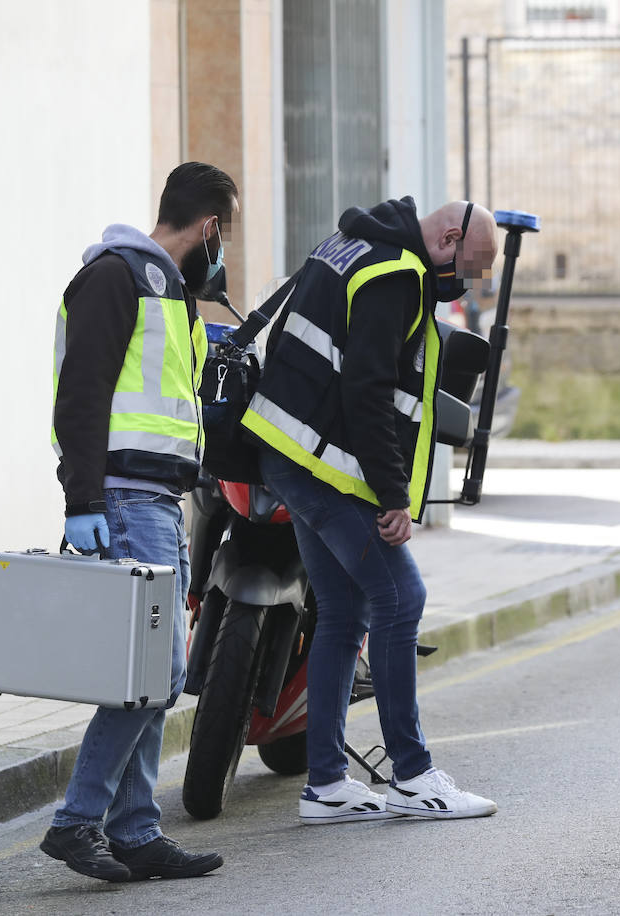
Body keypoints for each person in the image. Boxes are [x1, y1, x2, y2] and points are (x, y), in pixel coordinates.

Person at [242, 197, 501, 823]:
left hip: (287, 449)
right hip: (321, 461)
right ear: (445, 238)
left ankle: (326, 784)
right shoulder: (397, 275)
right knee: (399, 600)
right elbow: (367, 389)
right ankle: (412, 777)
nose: (466, 283)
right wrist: (392, 498)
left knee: (344, 609)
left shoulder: (353, 245)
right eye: (469, 266)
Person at [40, 162, 237, 882]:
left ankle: (134, 829)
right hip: (122, 502)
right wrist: (82, 500)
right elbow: (81, 394)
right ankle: (77, 821)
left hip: (158, 500)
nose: (224, 255)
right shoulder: (116, 277)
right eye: (225, 237)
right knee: (158, 670)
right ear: (210, 227)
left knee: (148, 671)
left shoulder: (172, 296)